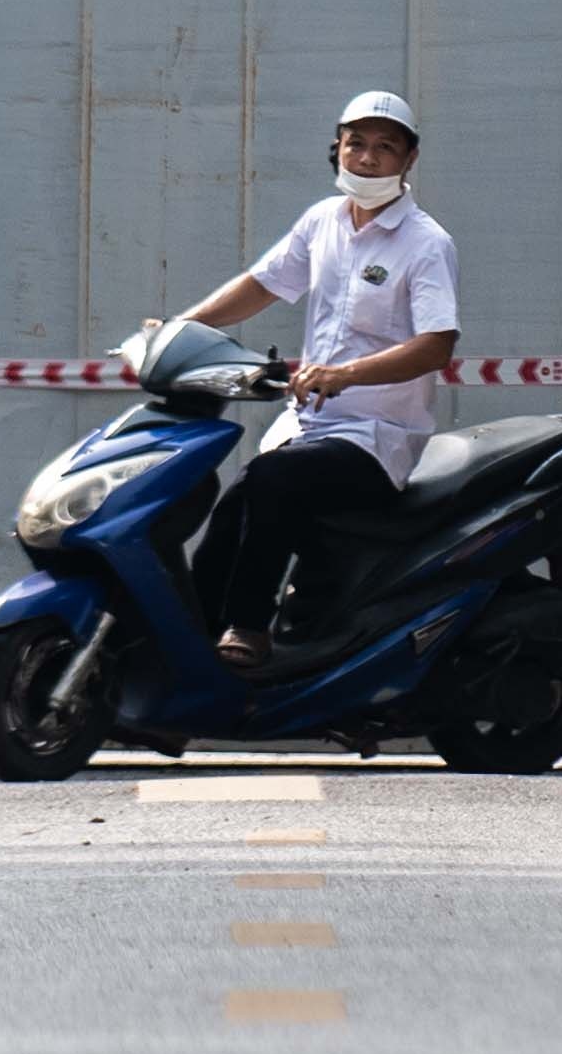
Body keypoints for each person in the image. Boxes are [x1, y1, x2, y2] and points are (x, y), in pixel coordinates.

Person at [166, 89, 463, 663]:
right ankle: (191, 646)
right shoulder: (322, 221)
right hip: (308, 429)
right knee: (235, 503)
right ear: (337, 149)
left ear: (409, 159)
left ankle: (249, 629)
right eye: (357, 144)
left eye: (385, 147)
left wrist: (346, 375)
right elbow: (262, 284)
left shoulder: (426, 243)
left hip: (377, 439)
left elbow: (436, 346)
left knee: (272, 481)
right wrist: (182, 326)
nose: (368, 158)